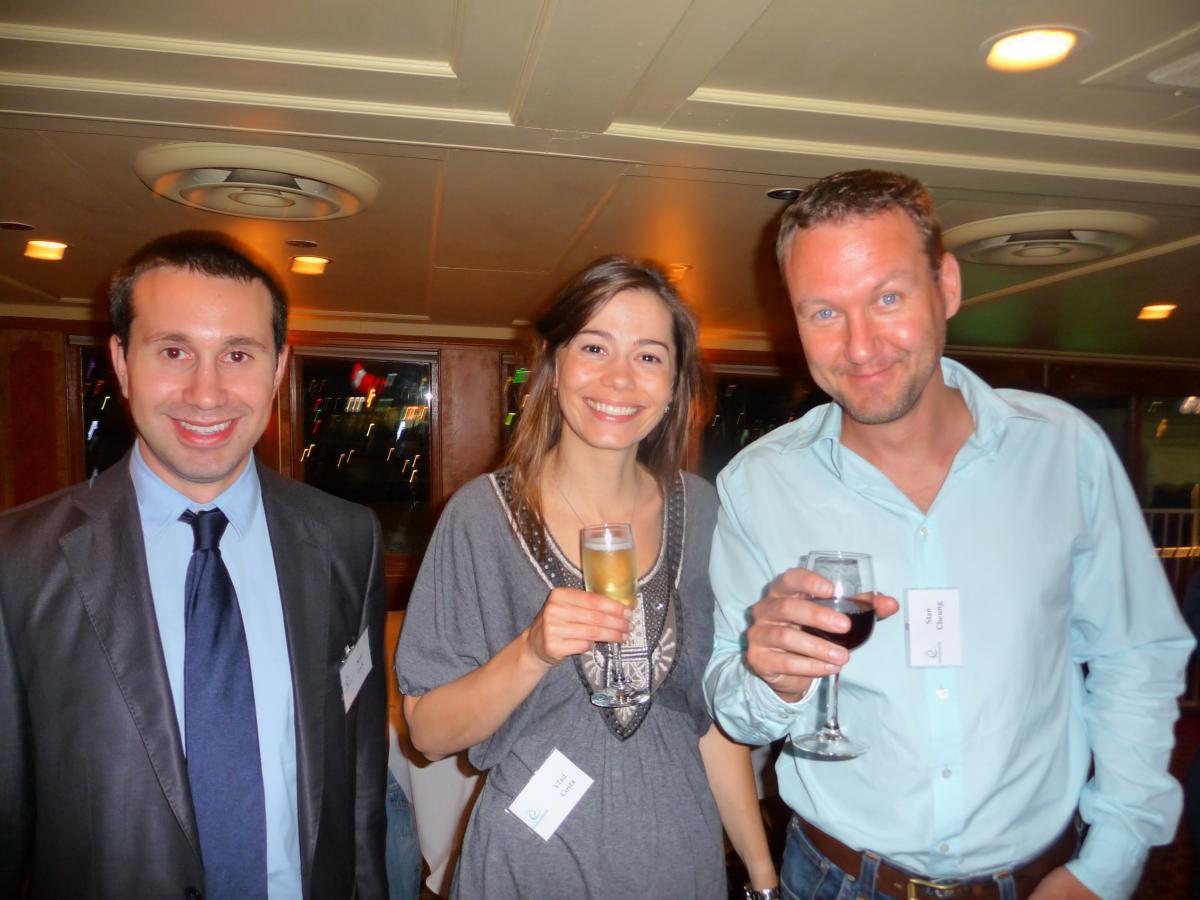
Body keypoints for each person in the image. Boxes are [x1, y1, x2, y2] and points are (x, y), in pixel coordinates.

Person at [704, 170, 1194, 900]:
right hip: (833, 878)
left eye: (888, 298)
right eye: (824, 312)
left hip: (1041, 880)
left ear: (948, 287)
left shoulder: (1064, 450)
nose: (860, 345)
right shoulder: (758, 482)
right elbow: (732, 705)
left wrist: (1111, 860)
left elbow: (1136, 656)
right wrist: (768, 675)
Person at [0, 232, 389, 899]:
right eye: (174, 351)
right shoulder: (18, 561)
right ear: (122, 362)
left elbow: (359, 785)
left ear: (277, 368)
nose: (206, 394)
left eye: (238, 354)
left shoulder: (347, 539)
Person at [395, 256, 779, 898]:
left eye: (649, 356)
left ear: (675, 382)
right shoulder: (480, 517)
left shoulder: (702, 510)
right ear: (553, 363)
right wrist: (532, 650)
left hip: (680, 859)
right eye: (595, 347)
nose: (619, 378)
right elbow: (429, 735)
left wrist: (763, 878)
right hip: (530, 867)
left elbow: (708, 720)